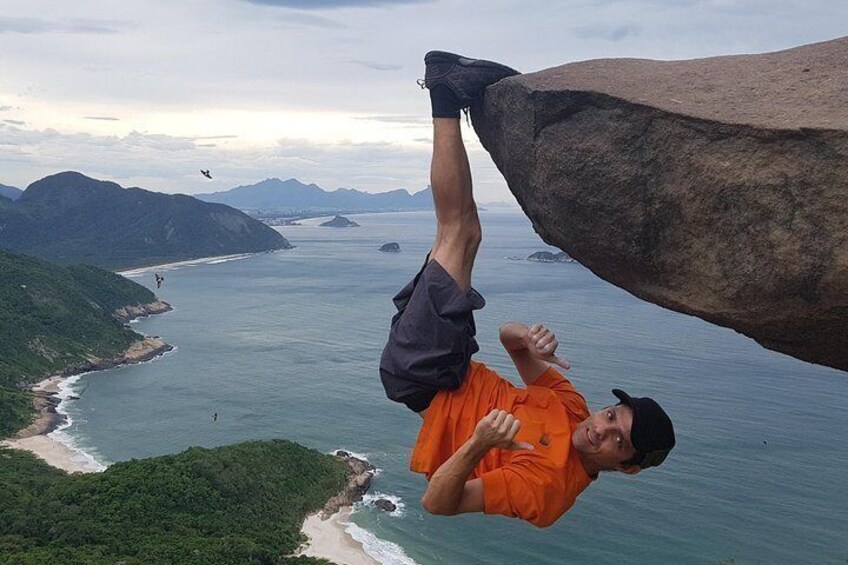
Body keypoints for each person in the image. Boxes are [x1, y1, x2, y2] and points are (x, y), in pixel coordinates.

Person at [379, 51, 676, 528]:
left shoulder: (547, 492)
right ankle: (448, 92)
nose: (599, 427)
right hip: (451, 361)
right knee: (462, 231)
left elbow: (438, 503)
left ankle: (445, 90)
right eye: (611, 415)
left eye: (617, 440)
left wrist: (478, 443)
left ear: (629, 468)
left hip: (424, 375)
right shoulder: (571, 406)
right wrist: (530, 338)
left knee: (459, 233)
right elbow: (507, 338)